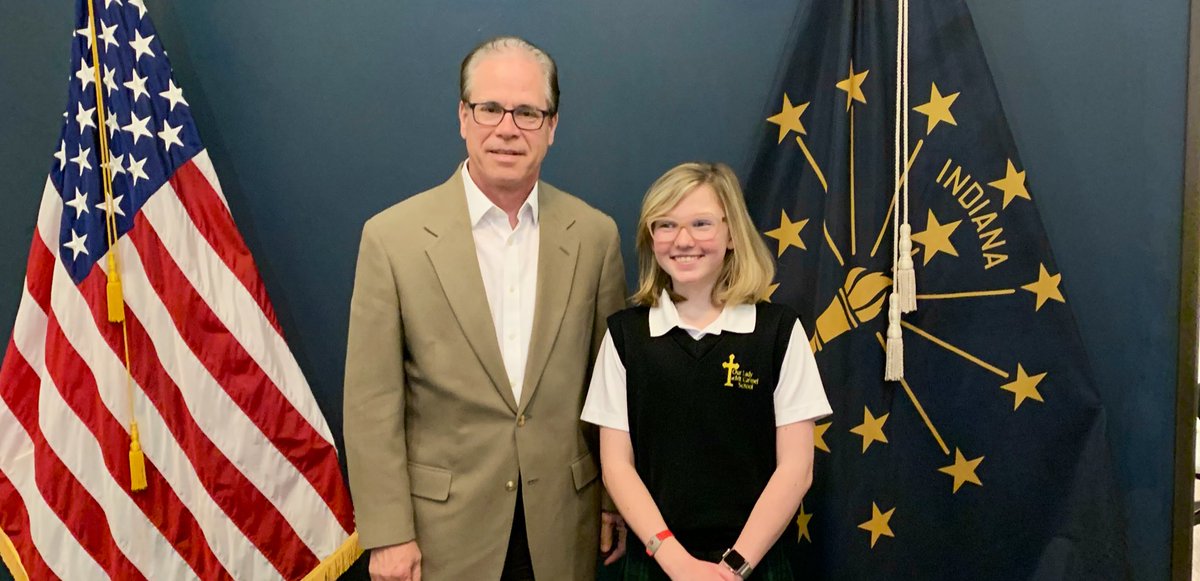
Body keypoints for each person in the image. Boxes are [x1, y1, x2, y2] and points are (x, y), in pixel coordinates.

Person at [344, 36, 628, 581]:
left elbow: (609, 389)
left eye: (527, 112)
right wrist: (388, 532)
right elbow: (371, 403)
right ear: (462, 117)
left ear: (552, 126)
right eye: (490, 108)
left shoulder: (595, 236)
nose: (507, 128)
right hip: (441, 534)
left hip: (564, 526)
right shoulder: (392, 238)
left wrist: (614, 499)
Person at [582, 162, 832, 580]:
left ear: (732, 234)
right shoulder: (625, 336)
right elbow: (617, 467)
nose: (683, 240)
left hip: (753, 564)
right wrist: (678, 564)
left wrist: (733, 567)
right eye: (666, 225)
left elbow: (796, 468)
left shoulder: (778, 332)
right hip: (658, 564)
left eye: (701, 224)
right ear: (651, 237)